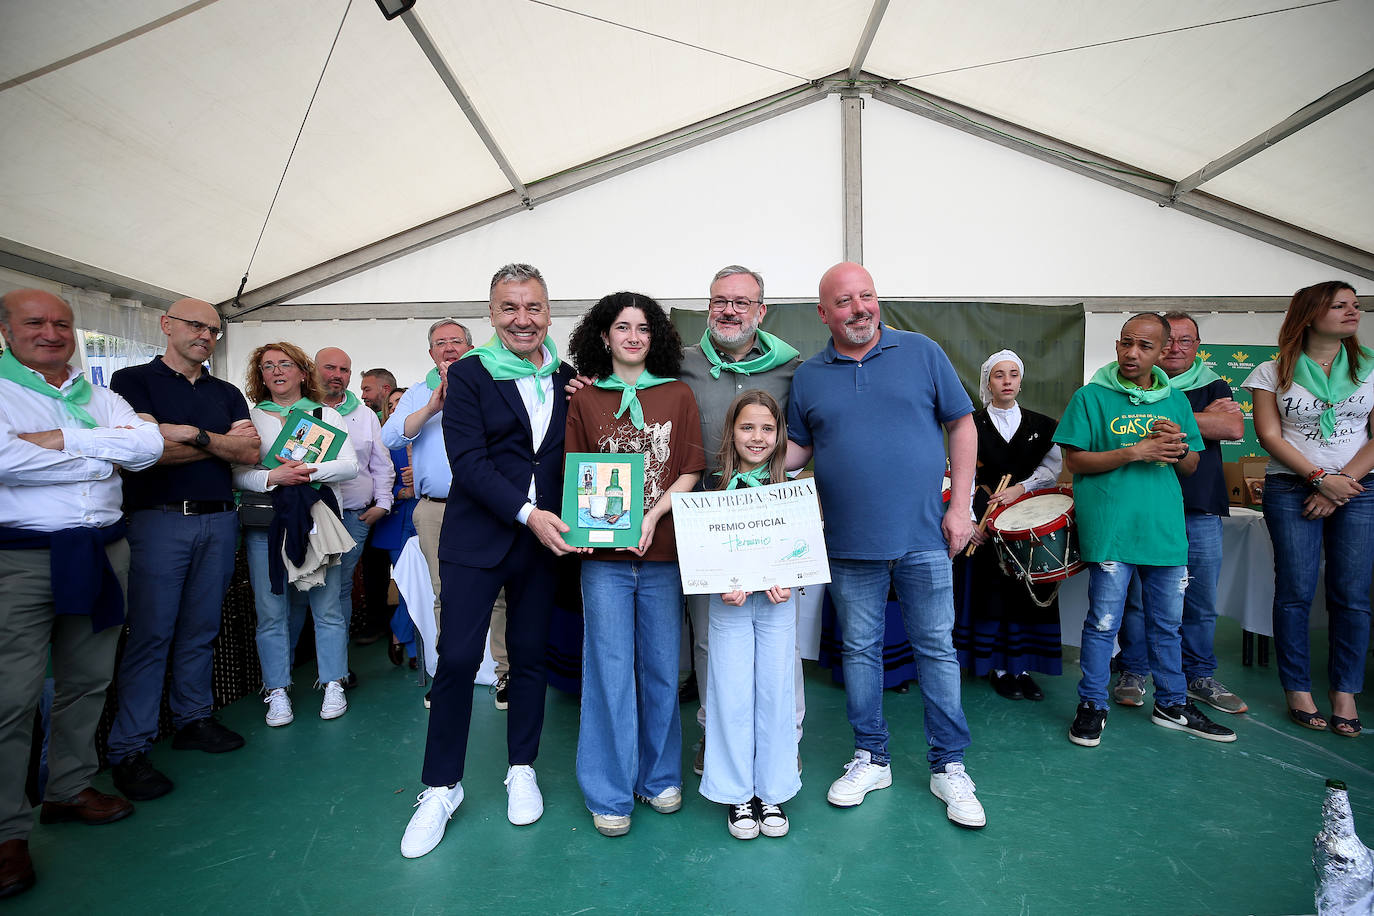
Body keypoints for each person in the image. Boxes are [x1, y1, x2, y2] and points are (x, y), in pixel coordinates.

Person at [785, 262, 985, 830]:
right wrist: (745, 471)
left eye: (865, 296)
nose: (858, 309)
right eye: (843, 302)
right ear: (824, 314)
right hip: (847, 545)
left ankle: (949, 765)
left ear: (878, 300)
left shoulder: (921, 351)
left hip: (924, 537)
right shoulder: (809, 377)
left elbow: (962, 425)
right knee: (860, 654)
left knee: (936, 652)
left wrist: (961, 507)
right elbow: (797, 453)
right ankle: (872, 757)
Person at [399, 263, 579, 859]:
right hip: (481, 539)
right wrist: (528, 514)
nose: (522, 320)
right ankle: (440, 787)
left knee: (529, 660)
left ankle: (521, 766)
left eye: (533, 308)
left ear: (548, 313)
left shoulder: (566, 378)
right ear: (492, 315)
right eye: (509, 308)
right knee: (454, 659)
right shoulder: (469, 375)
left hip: (543, 546)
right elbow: (468, 462)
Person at [0, 289, 162, 899]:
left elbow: (146, 448)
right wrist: (101, 451)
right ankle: (5, 832)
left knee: (88, 677)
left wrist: (58, 442)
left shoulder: (95, 393)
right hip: (21, 557)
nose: (51, 332)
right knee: (10, 696)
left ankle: (69, 788)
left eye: (62, 323)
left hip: (101, 549)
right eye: (35, 322)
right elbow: (2, 459)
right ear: (5, 330)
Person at [104, 298, 260, 803]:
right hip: (158, 521)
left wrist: (188, 434)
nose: (206, 335)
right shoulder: (132, 382)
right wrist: (215, 442)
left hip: (219, 519)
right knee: (151, 634)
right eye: (196, 325)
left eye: (214, 329)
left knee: (200, 628)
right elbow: (142, 454)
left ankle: (194, 719)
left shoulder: (227, 390)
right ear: (167, 325)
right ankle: (129, 748)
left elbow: (249, 453)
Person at [1055, 313, 1235, 748]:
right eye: (1126, 343)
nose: (1133, 353)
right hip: (1114, 528)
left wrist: (1175, 445)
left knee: (1167, 624)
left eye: (1145, 346)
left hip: (1165, 530)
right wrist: (1136, 450)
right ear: (1117, 345)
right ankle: (1093, 704)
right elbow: (1075, 462)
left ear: (1162, 352)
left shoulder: (1174, 401)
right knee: (1102, 623)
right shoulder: (1091, 397)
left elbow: (1192, 464)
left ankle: (1172, 703)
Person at [565, 291, 704, 838]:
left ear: (656, 338)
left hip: (665, 553)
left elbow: (690, 466)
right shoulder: (585, 399)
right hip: (602, 558)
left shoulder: (678, 395)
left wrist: (653, 515)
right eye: (622, 327)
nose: (632, 337)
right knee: (607, 671)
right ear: (604, 335)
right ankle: (609, 789)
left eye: (643, 329)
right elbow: (576, 474)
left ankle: (660, 775)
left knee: (662, 668)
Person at [676, 265, 802, 777]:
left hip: (769, 515)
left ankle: (783, 741)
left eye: (742, 302)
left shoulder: (791, 368)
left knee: (778, 635)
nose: (729, 310)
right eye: (719, 301)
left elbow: (810, 437)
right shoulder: (678, 363)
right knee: (710, 637)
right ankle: (715, 735)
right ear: (708, 306)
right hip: (704, 517)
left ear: (761, 310)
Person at [1243, 281, 1374, 737]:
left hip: (1359, 487)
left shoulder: (1370, 367)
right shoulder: (1272, 371)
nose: (1352, 312)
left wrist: (1341, 485)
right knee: (1295, 590)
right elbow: (1270, 436)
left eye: (1355, 306)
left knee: (1352, 594)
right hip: (1291, 487)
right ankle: (1297, 688)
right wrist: (1319, 480)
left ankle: (1345, 692)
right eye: (1339, 306)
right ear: (1311, 313)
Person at [1112, 312, 1248, 715]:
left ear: (1197, 346)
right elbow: (1126, 427)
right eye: (1169, 341)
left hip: (1199, 507)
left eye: (1186, 342)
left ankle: (1199, 675)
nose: (1175, 348)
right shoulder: (1127, 385)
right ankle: (1134, 670)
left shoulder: (1214, 384)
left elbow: (1234, 429)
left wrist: (1171, 422)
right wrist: (1205, 421)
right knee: (1138, 598)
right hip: (1145, 506)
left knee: (1201, 599)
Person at [382, 321, 511, 708]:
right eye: (441, 343)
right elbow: (391, 436)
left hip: (490, 506)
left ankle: (507, 675)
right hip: (437, 509)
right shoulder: (419, 392)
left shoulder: (491, 380)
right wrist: (431, 407)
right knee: (445, 594)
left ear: (471, 347)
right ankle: (450, 678)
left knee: (501, 594)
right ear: (431, 353)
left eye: (457, 341)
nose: (449, 347)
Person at [233, 342, 358, 726]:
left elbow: (350, 466)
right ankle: (277, 690)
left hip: (318, 524)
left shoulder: (326, 415)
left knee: (328, 608)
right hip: (267, 525)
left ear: (303, 372)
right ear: (261, 375)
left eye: (284, 364)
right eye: (268, 366)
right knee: (271, 612)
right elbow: (236, 475)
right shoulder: (251, 419)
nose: (276, 371)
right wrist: (274, 477)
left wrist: (307, 472)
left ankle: (333, 681)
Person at [698, 391, 799, 841]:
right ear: (731, 432)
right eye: (747, 427)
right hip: (730, 606)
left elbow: (802, 552)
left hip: (777, 604)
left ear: (778, 436)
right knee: (731, 694)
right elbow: (700, 552)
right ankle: (737, 792)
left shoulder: (791, 488)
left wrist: (791, 579)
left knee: (776, 693)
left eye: (766, 428)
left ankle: (772, 789)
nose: (756, 437)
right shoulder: (711, 488)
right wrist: (719, 581)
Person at [958, 349, 1063, 700]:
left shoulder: (1042, 424)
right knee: (994, 593)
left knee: (1026, 594)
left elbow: (1050, 471)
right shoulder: (969, 424)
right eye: (999, 375)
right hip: (986, 519)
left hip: (1025, 517)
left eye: (1013, 374)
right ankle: (998, 667)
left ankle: (1023, 666)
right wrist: (970, 519)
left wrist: (1020, 488)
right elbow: (963, 472)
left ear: (1021, 380)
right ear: (988, 382)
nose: (1007, 381)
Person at [316, 347, 395, 673]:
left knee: (340, 587)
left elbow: (381, 463)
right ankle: (310, 662)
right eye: (330, 368)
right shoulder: (301, 410)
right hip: (309, 514)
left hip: (353, 516)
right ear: (314, 369)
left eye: (344, 370)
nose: (337, 375)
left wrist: (383, 504)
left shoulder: (363, 415)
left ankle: (336, 666)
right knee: (309, 590)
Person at [372, 387, 418, 667]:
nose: (396, 406)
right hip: (397, 521)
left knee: (427, 585)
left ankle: (400, 634)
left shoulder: (431, 436)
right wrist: (403, 491)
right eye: (391, 404)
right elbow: (376, 481)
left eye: (402, 401)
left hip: (426, 517)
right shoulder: (384, 443)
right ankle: (412, 648)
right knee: (406, 585)